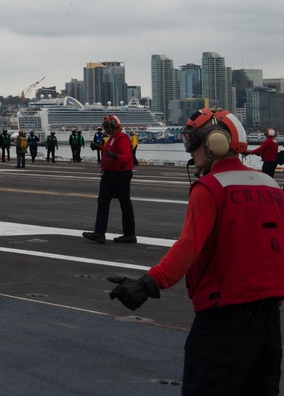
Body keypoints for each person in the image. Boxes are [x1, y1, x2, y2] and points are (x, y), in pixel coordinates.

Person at [107, 108, 284, 394]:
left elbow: (189, 245)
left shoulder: (210, 187)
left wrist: (148, 283)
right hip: (268, 321)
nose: (191, 150)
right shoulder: (273, 186)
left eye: (192, 140)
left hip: (224, 316)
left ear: (215, 142)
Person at [82, 115, 136, 244]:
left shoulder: (121, 137)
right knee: (103, 201)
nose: (105, 129)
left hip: (120, 174)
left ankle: (129, 234)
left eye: (107, 127)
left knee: (124, 203)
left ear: (113, 125)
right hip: (110, 173)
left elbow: (127, 157)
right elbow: (108, 150)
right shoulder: (113, 138)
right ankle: (99, 232)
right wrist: (99, 147)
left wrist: (115, 156)